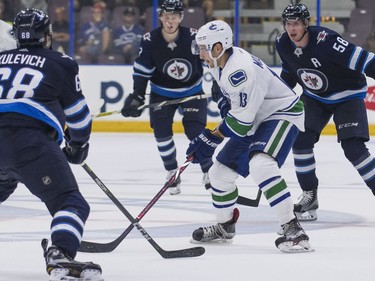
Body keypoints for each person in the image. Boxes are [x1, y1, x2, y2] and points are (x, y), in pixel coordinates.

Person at [186, 19, 313, 253]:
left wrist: (210, 138)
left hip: (281, 113)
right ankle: (225, 227)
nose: (199, 53)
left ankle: (293, 230)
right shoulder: (219, 61)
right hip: (256, 118)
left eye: (203, 48)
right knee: (218, 174)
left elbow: (241, 123)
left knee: (261, 165)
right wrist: (225, 104)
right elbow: (233, 104)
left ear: (217, 47)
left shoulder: (239, 70)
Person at [0, 8, 103, 280]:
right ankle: (60, 252)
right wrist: (78, 146)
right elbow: (79, 115)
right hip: (29, 143)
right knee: (70, 202)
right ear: (47, 36)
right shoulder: (61, 62)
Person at [275, 3, 375, 221]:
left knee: (353, 148)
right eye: (288, 24)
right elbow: (289, 74)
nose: (292, 29)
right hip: (314, 96)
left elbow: (367, 61)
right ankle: (310, 196)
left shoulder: (326, 41)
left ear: (306, 24)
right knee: (300, 140)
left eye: (297, 23)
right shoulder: (283, 43)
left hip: (347, 95)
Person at [121, 0, 212, 195]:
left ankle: (208, 170)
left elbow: (211, 62)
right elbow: (142, 71)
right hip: (161, 93)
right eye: (167, 17)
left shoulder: (194, 37)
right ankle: (172, 172)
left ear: (181, 18)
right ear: (160, 17)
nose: (170, 21)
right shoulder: (150, 40)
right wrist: (137, 95)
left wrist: (220, 84)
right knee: (161, 133)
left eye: (174, 17)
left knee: (195, 131)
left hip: (192, 92)